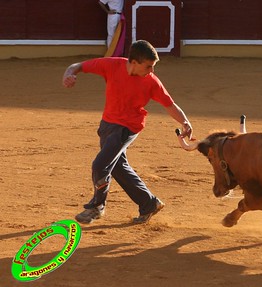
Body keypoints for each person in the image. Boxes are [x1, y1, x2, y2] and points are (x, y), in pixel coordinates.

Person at [62, 40, 194, 224]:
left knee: (100, 165)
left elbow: (170, 105)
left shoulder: (151, 82)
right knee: (117, 167)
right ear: (134, 62)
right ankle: (149, 204)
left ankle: (97, 206)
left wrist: (185, 121)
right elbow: (77, 66)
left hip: (128, 127)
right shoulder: (111, 65)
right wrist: (69, 74)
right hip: (107, 124)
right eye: (148, 66)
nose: (152, 71)